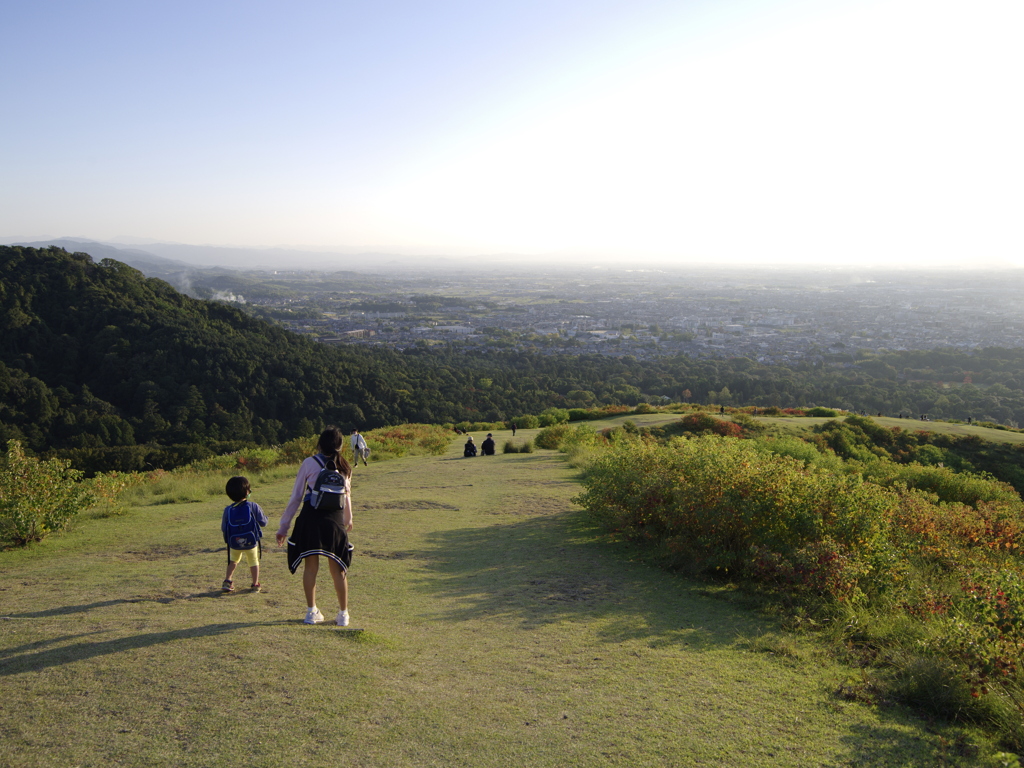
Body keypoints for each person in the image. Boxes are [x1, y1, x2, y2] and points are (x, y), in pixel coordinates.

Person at [277, 426, 354, 626]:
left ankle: (311, 612)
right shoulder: (345, 466)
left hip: (310, 519)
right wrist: (348, 520)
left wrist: (284, 527)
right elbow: (346, 497)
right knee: (338, 570)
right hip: (334, 521)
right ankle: (343, 614)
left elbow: (296, 496)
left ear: (319, 444)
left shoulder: (309, 463)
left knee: (310, 568)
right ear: (340, 445)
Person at [221, 476, 268, 593]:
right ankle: (255, 584)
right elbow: (263, 522)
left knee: (233, 560)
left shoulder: (228, 510)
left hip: (234, 542)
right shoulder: (253, 506)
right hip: (251, 541)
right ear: (247, 492)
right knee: (253, 561)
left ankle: (227, 581)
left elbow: (223, 528)